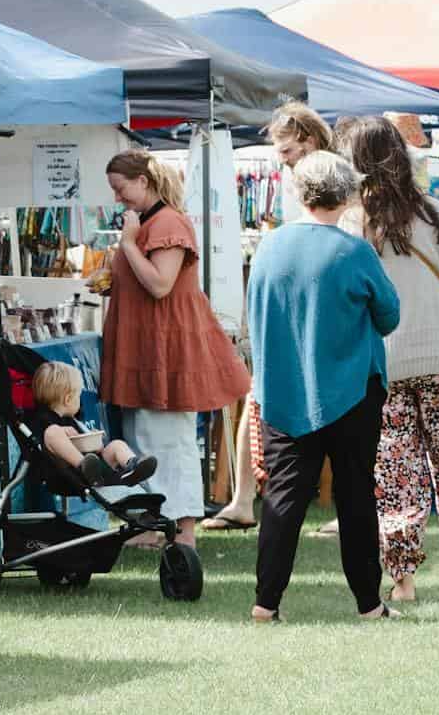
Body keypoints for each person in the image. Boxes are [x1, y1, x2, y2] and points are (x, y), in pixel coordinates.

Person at [338, 118, 439, 603]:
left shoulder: (353, 222)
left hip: (385, 358)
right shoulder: (433, 211)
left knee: (396, 468)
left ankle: (402, 580)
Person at [245, 152, 401, 622]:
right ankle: (369, 605)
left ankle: (266, 602)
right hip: (351, 391)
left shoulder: (269, 246)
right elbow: (389, 315)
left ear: (300, 192)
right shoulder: (355, 251)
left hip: (283, 390)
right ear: (348, 195)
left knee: (282, 499)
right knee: (356, 497)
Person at [100, 150, 250, 550]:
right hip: (146, 348)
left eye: (120, 188)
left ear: (143, 181)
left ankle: (181, 531)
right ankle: (155, 524)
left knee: (169, 442)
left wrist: (128, 244)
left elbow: (160, 284)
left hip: (165, 351)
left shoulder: (167, 223)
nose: (117, 197)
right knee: (145, 441)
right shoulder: (149, 222)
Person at [204, 103, 333, 533]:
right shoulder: (298, 182)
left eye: (288, 149)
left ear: (309, 141)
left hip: (313, 305)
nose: (283, 159)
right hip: (289, 303)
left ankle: (257, 497)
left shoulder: (329, 181)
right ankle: (243, 497)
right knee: (258, 393)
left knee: (324, 402)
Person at [27, 361, 155, 483]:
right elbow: (44, 436)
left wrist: (94, 442)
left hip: (96, 473)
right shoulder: (42, 419)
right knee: (52, 432)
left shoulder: (72, 420)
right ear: (68, 399)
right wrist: (62, 431)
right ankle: (83, 466)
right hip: (68, 474)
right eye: (78, 396)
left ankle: (133, 467)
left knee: (117, 444)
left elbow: (95, 451)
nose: (80, 400)